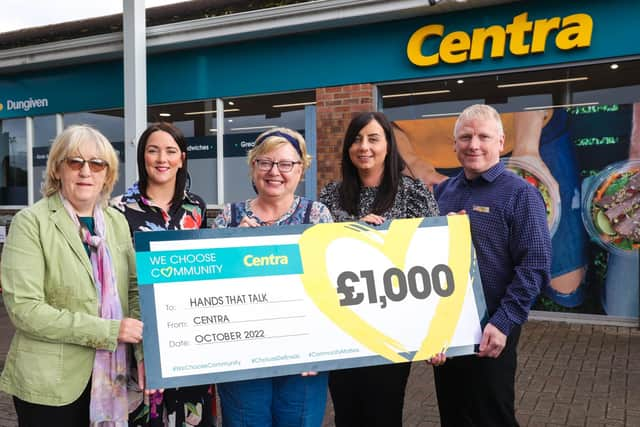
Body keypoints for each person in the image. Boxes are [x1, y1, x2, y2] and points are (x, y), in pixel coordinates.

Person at [0, 124, 143, 426]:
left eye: (96, 164)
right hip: (50, 385)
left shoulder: (116, 222)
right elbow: (26, 310)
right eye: (75, 162)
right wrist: (109, 331)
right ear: (57, 169)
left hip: (113, 377)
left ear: (108, 173)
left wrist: (143, 355)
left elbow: (133, 289)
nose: (85, 172)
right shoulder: (30, 223)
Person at [432, 104, 551, 426]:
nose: (474, 145)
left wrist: (504, 321)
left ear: (500, 142)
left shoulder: (521, 194)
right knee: (454, 414)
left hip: (492, 326)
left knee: (492, 415)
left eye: (483, 136)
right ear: (454, 144)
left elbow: (535, 264)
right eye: (465, 137)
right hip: (451, 329)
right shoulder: (442, 192)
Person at [319, 111, 440, 427]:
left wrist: (438, 331)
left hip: (392, 329)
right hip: (342, 327)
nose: (364, 147)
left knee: (383, 413)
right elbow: (316, 252)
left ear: (389, 145)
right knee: (346, 413)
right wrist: (352, 232)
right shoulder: (331, 196)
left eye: (374, 138)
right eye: (357, 139)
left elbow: (433, 256)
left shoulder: (413, 193)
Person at [213, 127, 332, 427]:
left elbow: (329, 286)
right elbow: (208, 289)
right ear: (253, 167)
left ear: (301, 169)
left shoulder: (317, 216)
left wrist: (319, 347)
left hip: (303, 356)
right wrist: (230, 249)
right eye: (265, 162)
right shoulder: (228, 218)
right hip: (242, 355)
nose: (274, 171)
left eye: (285, 164)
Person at [111, 122, 214, 427]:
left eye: (170, 151)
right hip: (142, 338)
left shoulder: (196, 207)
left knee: (192, 417)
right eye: (153, 150)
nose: (161, 159)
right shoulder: (118, 210)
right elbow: (119, 280)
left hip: (191, 335)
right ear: (142, 156)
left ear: (182, 157)